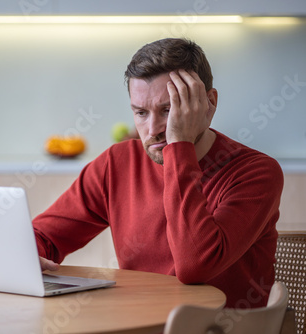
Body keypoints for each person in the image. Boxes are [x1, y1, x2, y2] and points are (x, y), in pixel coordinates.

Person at [33, 38, 284, 308]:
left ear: (208, 103)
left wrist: (179, 147)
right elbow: (43, 236)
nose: (153, 128)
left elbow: (195, 266)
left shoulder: (256, 173)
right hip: (139, 324)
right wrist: (29, 257)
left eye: (168, 110)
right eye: (141, 112)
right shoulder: (116, 163)